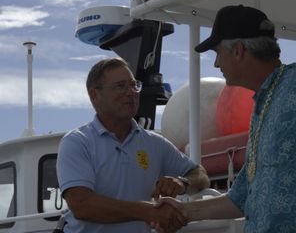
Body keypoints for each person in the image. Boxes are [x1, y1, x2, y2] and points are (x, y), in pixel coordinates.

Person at [154, 5, 296, 233]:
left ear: (238, 50)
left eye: (217, 53)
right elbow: (240, 198)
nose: (216, 64)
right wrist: (185, 211)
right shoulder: (264, 107)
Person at [56, 57, 210, 233]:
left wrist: (182, 182)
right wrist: (147, 211)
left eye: (133, 85)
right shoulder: (77, 142)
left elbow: (200, 175)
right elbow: (82, 205)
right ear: (94, 95)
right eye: (120, 86)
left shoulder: (154, 143)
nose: (131, 92)